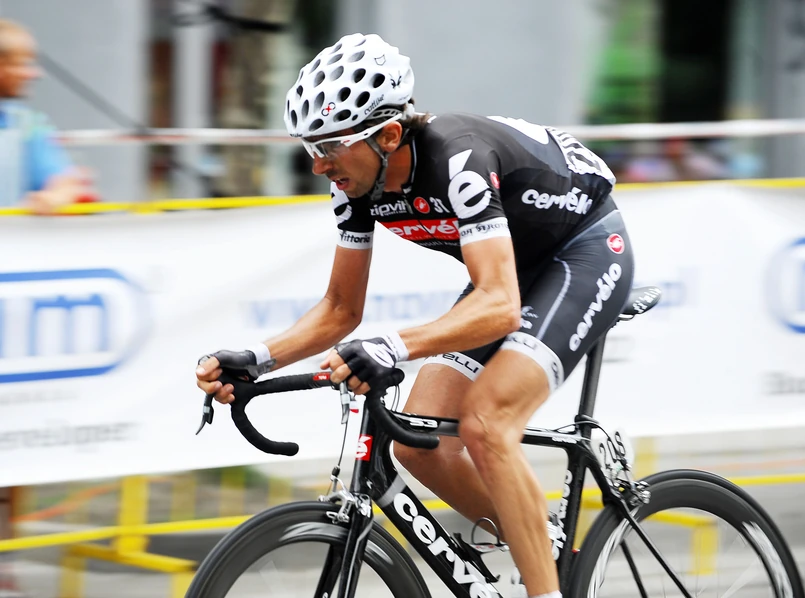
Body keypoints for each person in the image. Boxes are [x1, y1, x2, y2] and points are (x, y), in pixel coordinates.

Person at [196, 33, 634, 598]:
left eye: (331, 148)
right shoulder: (356, 183)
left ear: (388, 135)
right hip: (512, 268)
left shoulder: (459, 160)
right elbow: (340, 309)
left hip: (582, 253)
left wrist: (391, 346)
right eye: (310, 149)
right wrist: (257, 358)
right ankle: (548, 550)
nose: (320, 165)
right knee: (418, 442)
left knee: (487, 422)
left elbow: (500, 304)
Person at [0, 19, 85, 213]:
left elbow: (64, 181)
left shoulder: (26, 123)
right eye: (23, 64)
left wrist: (60, 193)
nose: (35, 74)